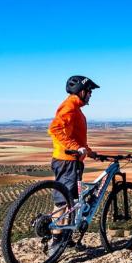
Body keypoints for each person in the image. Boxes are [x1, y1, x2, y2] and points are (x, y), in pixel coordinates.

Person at [48, 75, 100, 222]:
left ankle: (65, 237)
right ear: (81, 91)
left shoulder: (76, 108)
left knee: (71, 201)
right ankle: (56, 241)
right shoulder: (70, 106)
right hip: (67, 160)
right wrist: (75, 147)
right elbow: (55, 129)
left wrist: (89, 152)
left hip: (72, 161)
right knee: (62, 202)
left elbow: (77, 139)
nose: (90, 95)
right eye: (89, 91)